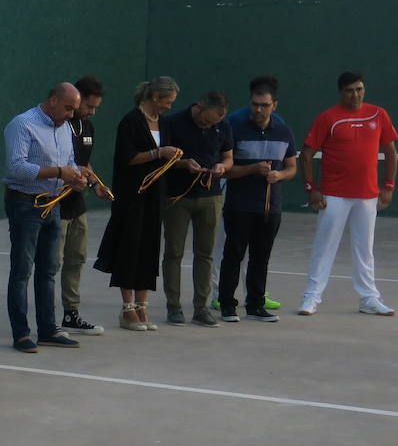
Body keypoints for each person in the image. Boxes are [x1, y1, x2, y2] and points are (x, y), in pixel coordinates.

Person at [298, 71, 398, 315]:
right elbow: (307, 154)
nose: (355, 94)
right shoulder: (327, 118)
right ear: (340, 92)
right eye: (350, 90)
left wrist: (388, 186)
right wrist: (312, 189)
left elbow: (391, 153)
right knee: (324, 248)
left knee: (365, 249)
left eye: (359, 89)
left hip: (367, 196)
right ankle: (311, 298)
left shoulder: (379, 114)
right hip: (333, 195)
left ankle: (368, 299)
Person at [3, 83, 86, 353]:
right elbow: (17, 168)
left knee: (49, 269)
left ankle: (48, 329)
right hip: (25, 204)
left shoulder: (65, 127)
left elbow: (71, 160)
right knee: (22, 271)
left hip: (53, 205)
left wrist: (76, 176)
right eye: (68, 108)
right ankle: (21, 334)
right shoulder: (22, 124)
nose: (71, 114)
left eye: (74, 109)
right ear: (52, 100)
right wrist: (60, 172)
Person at [93, 77, 181, 331]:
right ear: (155, 97)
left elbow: (166, 159)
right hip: (132, 196)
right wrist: (158, 153)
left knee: (149, 247)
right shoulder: (131, 121)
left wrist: (179, 159)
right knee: (130, 247)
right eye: (168, 101)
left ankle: (143, 305)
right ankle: (127, 308)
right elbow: (127, 158)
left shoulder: (164, 123)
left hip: (156, 196)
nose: (169, 107)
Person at [218, 78, 296, 322]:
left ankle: (255, 305)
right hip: (239, 206)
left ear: (274, 105)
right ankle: (227, 306)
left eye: (264, 105)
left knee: (261, 258)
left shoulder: (283, 130)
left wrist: (280, 174)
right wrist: (253, 169)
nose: (258, 109)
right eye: (255, 104)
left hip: (270, 209)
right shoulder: (235, 127)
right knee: (233, 256)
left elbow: (292, 167)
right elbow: (227, 170)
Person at [158, 92, 232, 326]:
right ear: (198, 106)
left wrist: (222, 167)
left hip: (211, 198)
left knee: (205, 254)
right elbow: (162, 160)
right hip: (177, 197)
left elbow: (229, 157)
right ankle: (174, 307)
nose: (208, 125)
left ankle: (201, 308)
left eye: (213, 123)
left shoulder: (223, 125)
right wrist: (183, 164)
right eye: (206, 121)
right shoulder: (172, 122)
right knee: (174, 252)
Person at [60, 75, 112, 335]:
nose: (92, 112)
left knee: (76, 259)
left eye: (95, 107)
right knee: (51, 264)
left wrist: (96, 184)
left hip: (78, 206)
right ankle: (47, 320)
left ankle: (71, 315)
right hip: (55, 205)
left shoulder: (88, 128)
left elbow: (84, 163)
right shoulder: (59, 125)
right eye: (89, 106)